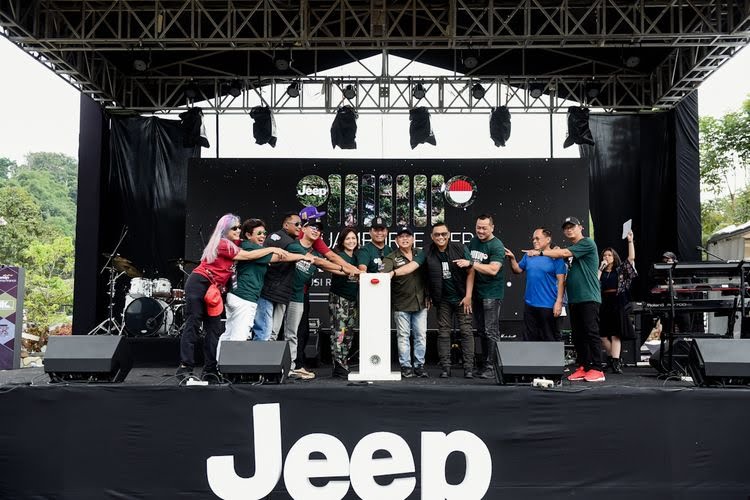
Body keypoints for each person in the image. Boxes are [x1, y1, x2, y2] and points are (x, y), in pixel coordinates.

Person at [177, 214, 288, 381]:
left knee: (214, 330)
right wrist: (272, 249)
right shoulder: (222, 243)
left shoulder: (237, 243)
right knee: (193, 325)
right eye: (234, 228)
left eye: (239, 227)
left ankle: (210, 371)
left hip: (214, 290)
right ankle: (185, 368)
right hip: (200, 283)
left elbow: (252, 248)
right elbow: (247, 256)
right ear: (224, 230)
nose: (238, 230)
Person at [217, 218, 313, 360]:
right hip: (244, 297)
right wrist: (301, 256)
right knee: (243, 334)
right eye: (259, 233)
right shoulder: (251, 247)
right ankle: (234, 367)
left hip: (238, 295)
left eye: (264, 233)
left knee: (230, 332)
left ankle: (220, 363)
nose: (263, 236)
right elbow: (280, 258)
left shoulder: (252, 247)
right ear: (248, 235)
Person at [524, 216, 604, 382]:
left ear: (581, 228)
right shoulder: (573, 249)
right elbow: (563, 255)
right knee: (578, 335)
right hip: (575, 299)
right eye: (566, 228)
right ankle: (584, 366)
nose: (569, 230)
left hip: (588, 297)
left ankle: (597, 368)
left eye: (572, 227)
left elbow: (564, 253)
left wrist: (540, 252)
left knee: (591, 332)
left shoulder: (587, 243)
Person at [392, 222, 475, 378]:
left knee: (466, 331)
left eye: (443, 234)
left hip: (462, 297)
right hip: (442, 299)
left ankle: (469, 368)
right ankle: (445, 368)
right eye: (437, 234)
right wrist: (393, 273)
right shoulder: (427, 251)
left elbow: (471, 272)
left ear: (448, 235)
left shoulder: (460, 248)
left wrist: (468, 296)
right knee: (443, 333)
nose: (440, 237)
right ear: (432, 236)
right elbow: (412, 266)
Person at [283, 216, 343, 380]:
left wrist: (349, 271)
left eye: (319, 229)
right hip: (283, 294)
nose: (316, 231)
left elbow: (324, 262)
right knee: (277, 331)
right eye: (313, 227)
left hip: (299, 295)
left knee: (298, 331)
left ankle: (295, 366)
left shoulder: (315, 251)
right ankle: (276, 366)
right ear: (303, 229)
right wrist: (346, 269)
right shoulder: (294, 246)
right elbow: (321, 262)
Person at [454, 214, 505, 379]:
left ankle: (492, 367)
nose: (480, 231)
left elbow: (493, 269)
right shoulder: (473, 242)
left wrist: (472, 263)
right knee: (482, 331)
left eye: (484, 228)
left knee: (491, 331)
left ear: (492, 227)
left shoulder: (497, 245)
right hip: (477, 293)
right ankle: (484, 365)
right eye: (478, 227)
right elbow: (470, 269)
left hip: (492, 293)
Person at [383, 225, 429, 378]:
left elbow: (429, 275)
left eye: (407, 236)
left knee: (421, 335)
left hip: (420, 302)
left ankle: (419, 365)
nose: (404, 239)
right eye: (401, 237)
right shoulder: (390, 257)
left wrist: (428, 295)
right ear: (396, 240)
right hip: (401, 303)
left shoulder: (421, 253)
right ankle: (406, 366)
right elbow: (383, 275)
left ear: (413, 239)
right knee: (403, 336)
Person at [506, 227, 567, 342]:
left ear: (548, 240)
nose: (534, 241)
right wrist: (512, 259)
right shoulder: (529, 255)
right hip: (530, 306)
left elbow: (561, 281)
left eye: (538, 238)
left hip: (548, 306)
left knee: (549, 340)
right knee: (530, 341)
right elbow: (517, 270)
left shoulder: (556, 257)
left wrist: (559, 302)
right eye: (533, 239)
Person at [598, 230, 637, 374]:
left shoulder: (620, 270)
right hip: (604, 303)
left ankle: (615, 362)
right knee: (602, 335)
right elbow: (595, 283)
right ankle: (613, 359)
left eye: (609, 255)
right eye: (604, 255)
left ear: (614, 257)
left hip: (618, 302)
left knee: (615, 334)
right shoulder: (601, 271)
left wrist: (630, 241)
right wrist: (600, 268)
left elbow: (631, 258)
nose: (606, 257)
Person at [327, 227, 360, 379]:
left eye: (353, 238)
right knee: (339, 332)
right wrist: (347, 270)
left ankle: (344, 363)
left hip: (353, 300)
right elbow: (333, 269)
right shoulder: (338, 256)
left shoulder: (358, 257)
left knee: (349, 333)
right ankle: (338, 365)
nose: (351, 241)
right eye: (348, 239)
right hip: (339, 299)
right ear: (342, 241)